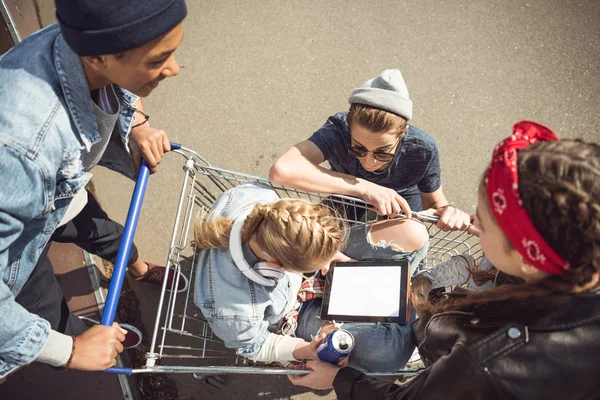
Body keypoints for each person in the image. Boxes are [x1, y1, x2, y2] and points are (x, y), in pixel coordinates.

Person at [288, 121, 600, 399]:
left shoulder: (485, 364)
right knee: (416, 238)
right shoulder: (570, 262)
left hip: (438, 346)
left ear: (528, 257)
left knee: (388, 354)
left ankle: (301, 316)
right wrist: (443, 209)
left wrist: (340, 378)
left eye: (485, 221)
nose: (474, 219)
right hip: (435, 323)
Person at [0, 0, 188, 379]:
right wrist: (67, 351)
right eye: (157, 60)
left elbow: (121, 89)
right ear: (99, 57)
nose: (174, 69)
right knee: (46, 304)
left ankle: (136, 268)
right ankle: (78, 335)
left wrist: (135, 125)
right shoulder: (19, 149)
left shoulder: (79, 41)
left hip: (61, 197)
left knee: (111, 235)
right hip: (21, 247)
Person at [192, 183, 425, 372]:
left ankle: (409, 310)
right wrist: (310, 350)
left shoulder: (256, 198)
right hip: (297, 313)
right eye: (321, 263)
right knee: (390, 355)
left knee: (416, 234)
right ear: (275, 267)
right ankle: (414, 301)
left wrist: (333, 255)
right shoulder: (237, 311)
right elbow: (257, 346)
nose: (328, 264)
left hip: (301, 255)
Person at [270, 69, 470, 232]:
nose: (369, 162)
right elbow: (282, 170)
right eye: (358, 149)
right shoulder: (338, 130)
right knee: (307, 236)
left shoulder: (422, 149)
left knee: (411, 240)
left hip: (401, 202)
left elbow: (434, 202)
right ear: (349, 126)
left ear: (403, 134)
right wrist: (365, 188)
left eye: (383, 153)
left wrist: (449, 212)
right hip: (347, 195)